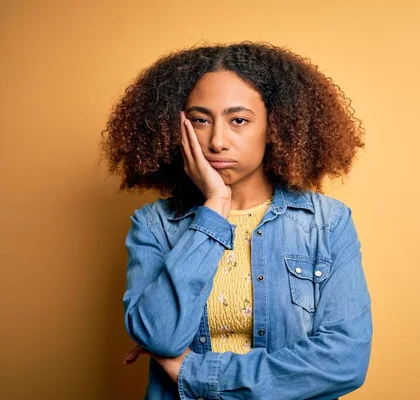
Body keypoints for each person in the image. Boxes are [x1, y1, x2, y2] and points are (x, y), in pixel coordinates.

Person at [101, 41, 372, 400]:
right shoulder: (156, 225)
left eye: (238, 120)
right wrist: (215, 206)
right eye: (200, 120)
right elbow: (159, 336)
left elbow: (344, 362)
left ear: (276, 127)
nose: (216, 141)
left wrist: (193, 372)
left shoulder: (326, 223)